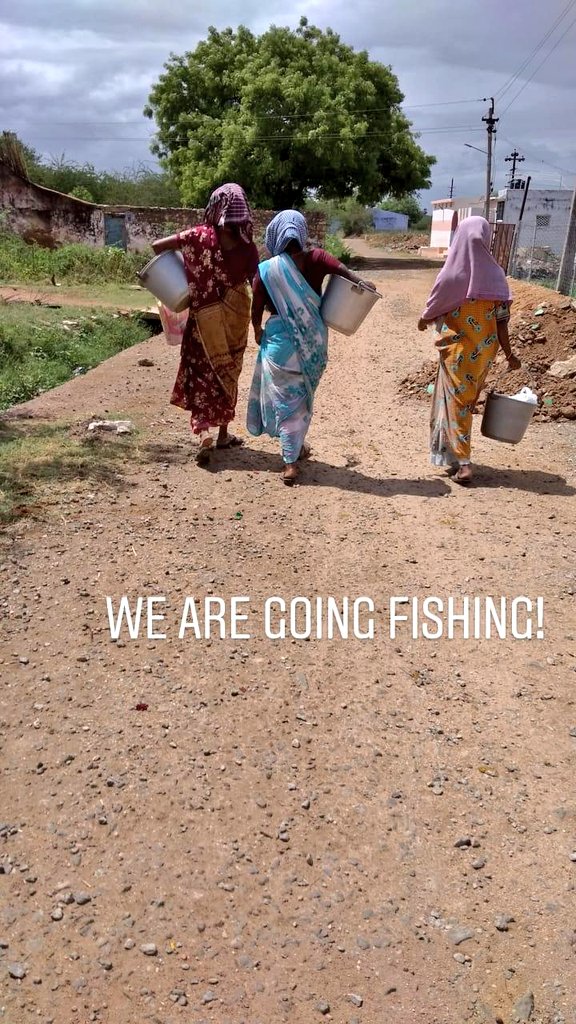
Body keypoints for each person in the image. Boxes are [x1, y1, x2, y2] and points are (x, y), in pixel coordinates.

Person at [247, 210, 375, 485]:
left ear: (274, 235)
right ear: (302, 233)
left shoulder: (267, 270)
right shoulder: (317, 258)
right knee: (301, 398)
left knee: (285, 399)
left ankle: (291, 457)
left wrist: (258, 331)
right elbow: (347, 274)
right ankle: (293, 454)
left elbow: (256, 310)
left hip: (279, 342)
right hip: (313, 340)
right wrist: (364, 284)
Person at [152, 184, 259, 465]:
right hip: (237, 316)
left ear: (214, 207)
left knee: (202, 371)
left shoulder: (198, 237)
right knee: (228, 371)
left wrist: (187, 268)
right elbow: (256, 282)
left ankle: (204, 432)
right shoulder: (249, 246)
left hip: (205, 318)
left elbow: (157, 247)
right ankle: (224, 432)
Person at [418, 216, 521, 485]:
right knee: (465, 403)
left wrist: (423, 319)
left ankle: (463, 463)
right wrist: (509, 355)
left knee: (455, 403)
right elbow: (502, 322)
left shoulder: (453, 273)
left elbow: (433, 307)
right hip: (485, 354)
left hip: (457, 352)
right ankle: (454, 455)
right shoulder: (496, 275)